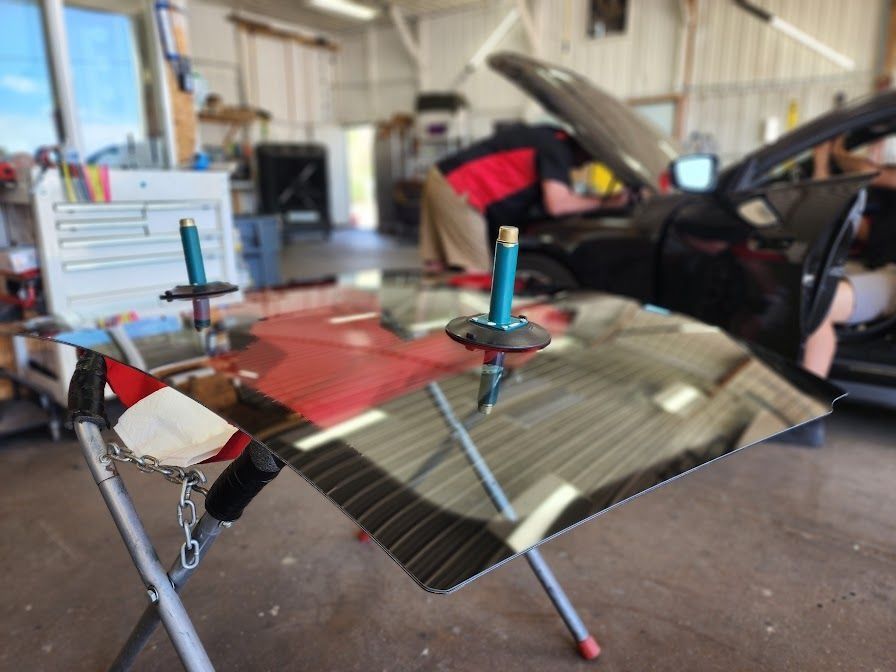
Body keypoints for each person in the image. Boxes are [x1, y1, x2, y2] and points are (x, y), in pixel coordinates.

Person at [418, 124, 628, 272]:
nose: (588, 163)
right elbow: (557, 204)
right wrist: (605, 202)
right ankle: (463, 334)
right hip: (460, 187)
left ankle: (432, 327)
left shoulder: (551, 138)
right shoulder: (556, 148)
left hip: (443, 178)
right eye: (592, 157)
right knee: (475, 274)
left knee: (437, 266)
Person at [802, 138, 896, 379]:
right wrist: (821, 165)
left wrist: (838, 150)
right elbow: (833, 211)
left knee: (818, 305)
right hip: (872, 266)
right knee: (799, 290)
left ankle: (808, 401)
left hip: (891, 278)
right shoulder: (884, 211)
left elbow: (867, 172)